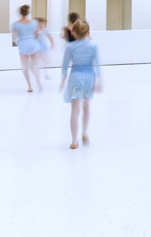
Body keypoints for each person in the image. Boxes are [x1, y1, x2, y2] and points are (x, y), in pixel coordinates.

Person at [58, 19, 101, 150]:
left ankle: (74, 141)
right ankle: (85, 132)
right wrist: (99, 80)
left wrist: (62, 81)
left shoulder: (70, 47)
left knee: (75, 111)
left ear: (73, 33)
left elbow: (64, 67)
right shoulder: (93, 46)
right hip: (89, 78)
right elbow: (97, 64)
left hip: (75, 78)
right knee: (86, 107)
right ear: (88, 32)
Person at [11, 4, 42, 92]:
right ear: (28, 12)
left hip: (23, 45)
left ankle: (30, 86)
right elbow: (36, 35)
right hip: (33, 44)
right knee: (35, 66)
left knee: (25, 67)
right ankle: (39, 83)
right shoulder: (34, 23)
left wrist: (14, 42)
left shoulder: (16, 24)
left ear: (20, 13)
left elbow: (14, 36)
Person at [34, 16, 55, 82]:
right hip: (37, 47)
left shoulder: (45, 30)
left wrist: (52, 44)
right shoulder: (35, 30)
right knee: (37, 61)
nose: (39, 25)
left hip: (43, 47)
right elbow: (34, 38)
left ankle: (46, 74)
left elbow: (50, 37)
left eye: (40, 23)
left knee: (46, 61)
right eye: (38, 23)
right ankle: (38, 75)